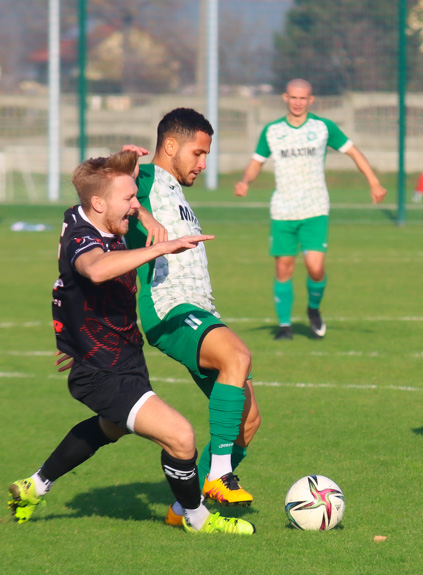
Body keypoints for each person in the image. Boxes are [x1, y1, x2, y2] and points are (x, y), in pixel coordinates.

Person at [7, 151, 254, 534]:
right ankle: (196, 519)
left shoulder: (85, 210)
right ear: (100, 204)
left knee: (111, 427)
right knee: (181, 437)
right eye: (129, 201)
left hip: (122, 357)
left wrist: (133, 186)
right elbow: (95, 268)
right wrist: (159, 248)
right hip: (102, 372)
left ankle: (34, 486)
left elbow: (100, 185)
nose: (135, 207)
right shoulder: (82, 236)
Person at [123, 108, 261, 522]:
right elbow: (98, 186)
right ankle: (219, 474)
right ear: (170, 146)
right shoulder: (142, 180)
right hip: (169, 308)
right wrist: (124, 163)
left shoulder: (177, 194)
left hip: (200, 309)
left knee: (247, 419)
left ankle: (186, 507)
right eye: (198, 154)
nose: (203, 164)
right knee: (236, 356)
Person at [234, 78, 387, 340]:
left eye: (303, 98)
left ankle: (313, 310)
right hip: (283, 210)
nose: (297, 102)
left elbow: (353, 152)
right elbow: (256, 162)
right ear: (285, 98)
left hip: (315, 208)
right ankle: (284, 326)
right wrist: (245, 181)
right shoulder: (272, 131)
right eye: (293, 97)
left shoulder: (322, 127)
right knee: (284, 267)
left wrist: (374, 182)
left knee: (315, 268)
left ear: (311, 100)